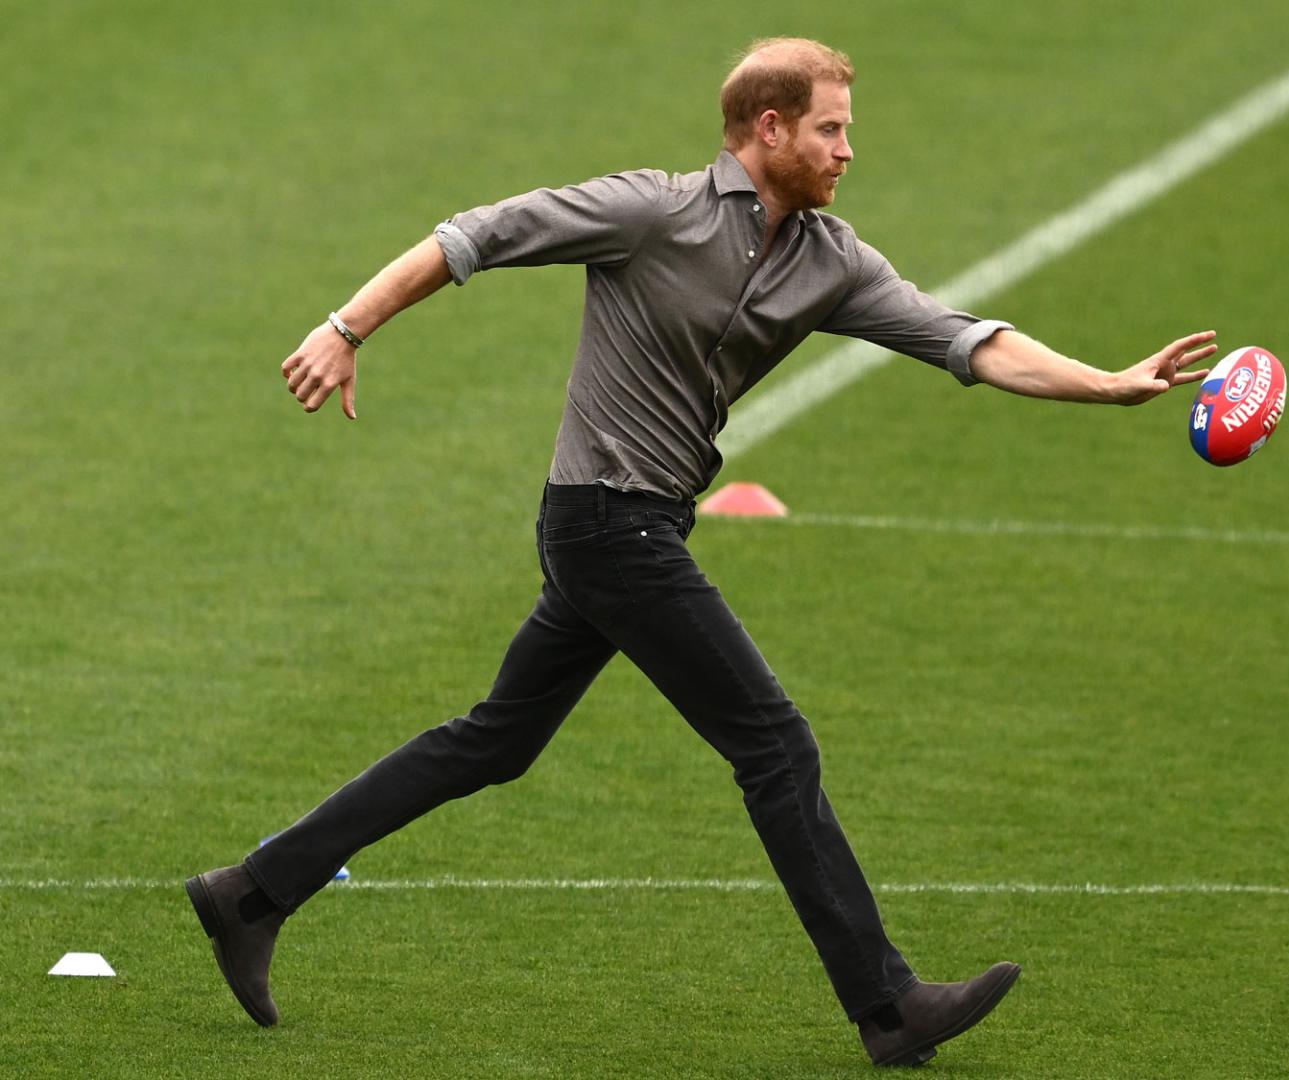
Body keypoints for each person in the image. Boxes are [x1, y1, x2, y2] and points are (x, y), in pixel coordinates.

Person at [185, 37, 1218, 1067]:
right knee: (775, 746)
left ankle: (251, 894)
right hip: (604, 521)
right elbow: (475, 236)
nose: (847, 150)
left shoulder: (829, 260)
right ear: (768, 128)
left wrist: (1107, 383)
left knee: (496, 740)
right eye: (829, 129)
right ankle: (888, 1006)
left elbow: (963, 338)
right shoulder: (650, 211)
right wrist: (346, 328)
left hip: (641, 526)